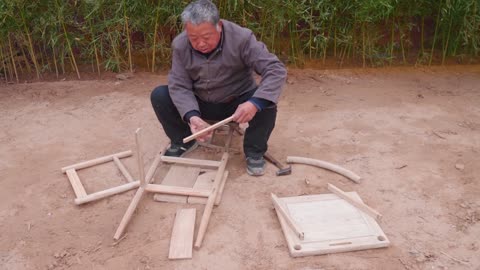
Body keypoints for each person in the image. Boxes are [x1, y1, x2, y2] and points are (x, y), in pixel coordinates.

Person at [150, 0, 286, 176]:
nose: (200, 43)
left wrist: (254, 103)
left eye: (206, 37)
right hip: (200, 102)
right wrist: (192, 116)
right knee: (160, 95)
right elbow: (179, 84)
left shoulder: (242, 38)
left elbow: (275, 69)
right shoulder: (180, 44)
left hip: (237, 102)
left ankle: (254, 151)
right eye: (193, 38)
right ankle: (183, 140)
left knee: (266, 101)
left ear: (219, 26)